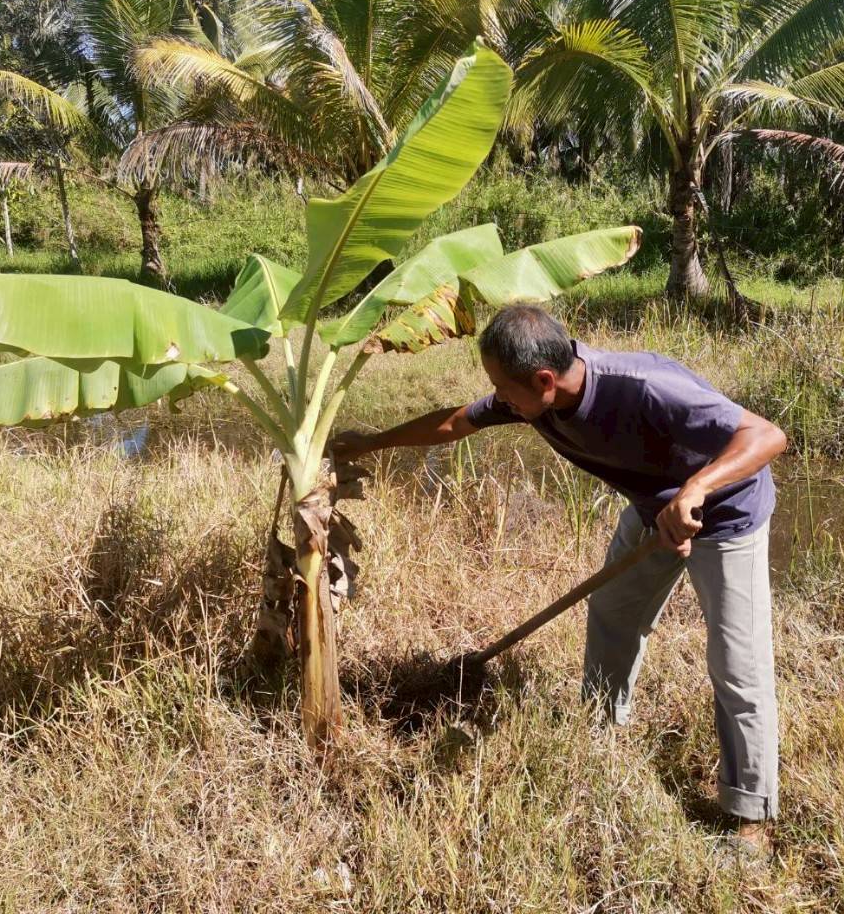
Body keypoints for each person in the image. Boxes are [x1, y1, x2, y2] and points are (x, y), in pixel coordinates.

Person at [330, 303, 787, 854]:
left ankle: (749, 815)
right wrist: (371, 442)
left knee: (736, 663)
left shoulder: (647, 387)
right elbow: (455, 422)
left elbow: (765, 436)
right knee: (614, 612)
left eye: (504, 386)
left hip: (727, 515)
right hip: (652, 509)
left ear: (545, 380)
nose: (498, 396)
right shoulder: (529, 401)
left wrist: (696, 490)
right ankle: (600, 729)